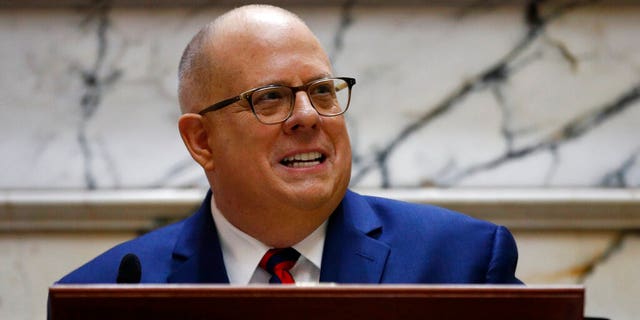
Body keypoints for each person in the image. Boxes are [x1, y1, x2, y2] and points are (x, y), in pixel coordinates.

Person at [57, 4, 522, 285]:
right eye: (271, 99)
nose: (308, 116)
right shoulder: (112, 292)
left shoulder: (461, 261)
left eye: (322, 91)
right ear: (201, 141)